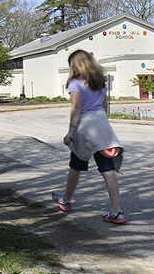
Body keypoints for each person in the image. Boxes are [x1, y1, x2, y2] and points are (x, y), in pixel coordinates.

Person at [52, 50, 126, 224]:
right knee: (107, 169)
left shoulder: (75, 83)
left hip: (85, 127)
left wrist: (71, 131)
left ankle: (66, 200)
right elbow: (105, 106)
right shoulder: (100, 82)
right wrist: (101, 123)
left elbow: (76, 107)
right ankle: (117, 211)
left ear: (74, 65)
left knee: (76, 165)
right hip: (102, 126)